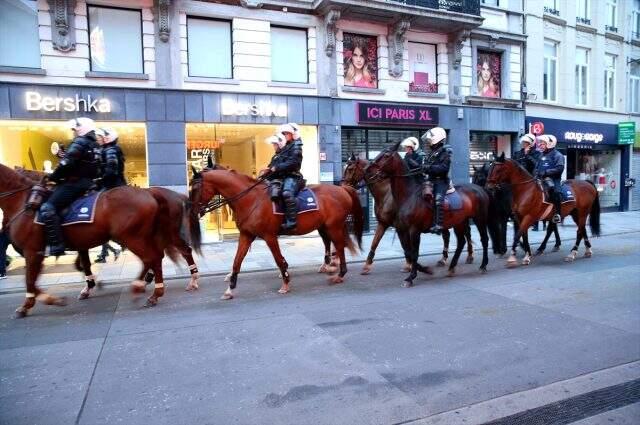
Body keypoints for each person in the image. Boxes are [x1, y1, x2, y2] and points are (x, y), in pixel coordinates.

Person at [40, 117, 100, 257]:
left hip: (74, 184)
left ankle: (56, 245)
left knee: (47, 208)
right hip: (89, 184)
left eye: (74, 129)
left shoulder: (80, 141)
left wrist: (52, 177)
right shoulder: (95, 145)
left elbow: (66, 164)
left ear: (81, 128)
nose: (73, 132)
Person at [260, 124, 304, 231]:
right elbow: (278, 163)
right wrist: (266, 172)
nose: (285, 135)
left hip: (293, 176)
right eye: (284, 133)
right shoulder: (287, 147)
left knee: (287, 193)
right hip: (284, 176)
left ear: (293, 134)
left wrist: (277, 167)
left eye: (287, 133)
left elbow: (293, 163)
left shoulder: (296, 146)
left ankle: (291, 222)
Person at [94, 128, 126, 263]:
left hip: (111, 186)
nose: (98, 139)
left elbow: (111, 170)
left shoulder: (110, 150)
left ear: (107, 138)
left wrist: (99, 180)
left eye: (100, 137)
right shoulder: (106, 150)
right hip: (111, 185)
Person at [420, 127, 451, 235]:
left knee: (438, 200)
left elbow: (443, 168)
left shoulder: (445, 153)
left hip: (441, 181)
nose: (428, 142)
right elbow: (426, 166)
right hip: (430, 181)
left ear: (437, 139)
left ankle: (438, 225)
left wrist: (429, 168)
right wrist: (422, 167)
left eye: (430, 140)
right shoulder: (432, 153)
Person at [534, 134, 564, 224]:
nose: (540, 145)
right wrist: (535, 173)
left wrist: (546, 172)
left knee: (555, 192)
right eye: (540, 143)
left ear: (550, 144)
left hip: (553, 180)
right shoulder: (541, 155)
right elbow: (536, 168)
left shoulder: (558, 155)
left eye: (542, 143)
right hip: (540, 179)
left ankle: (558, 214)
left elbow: (559, 169)